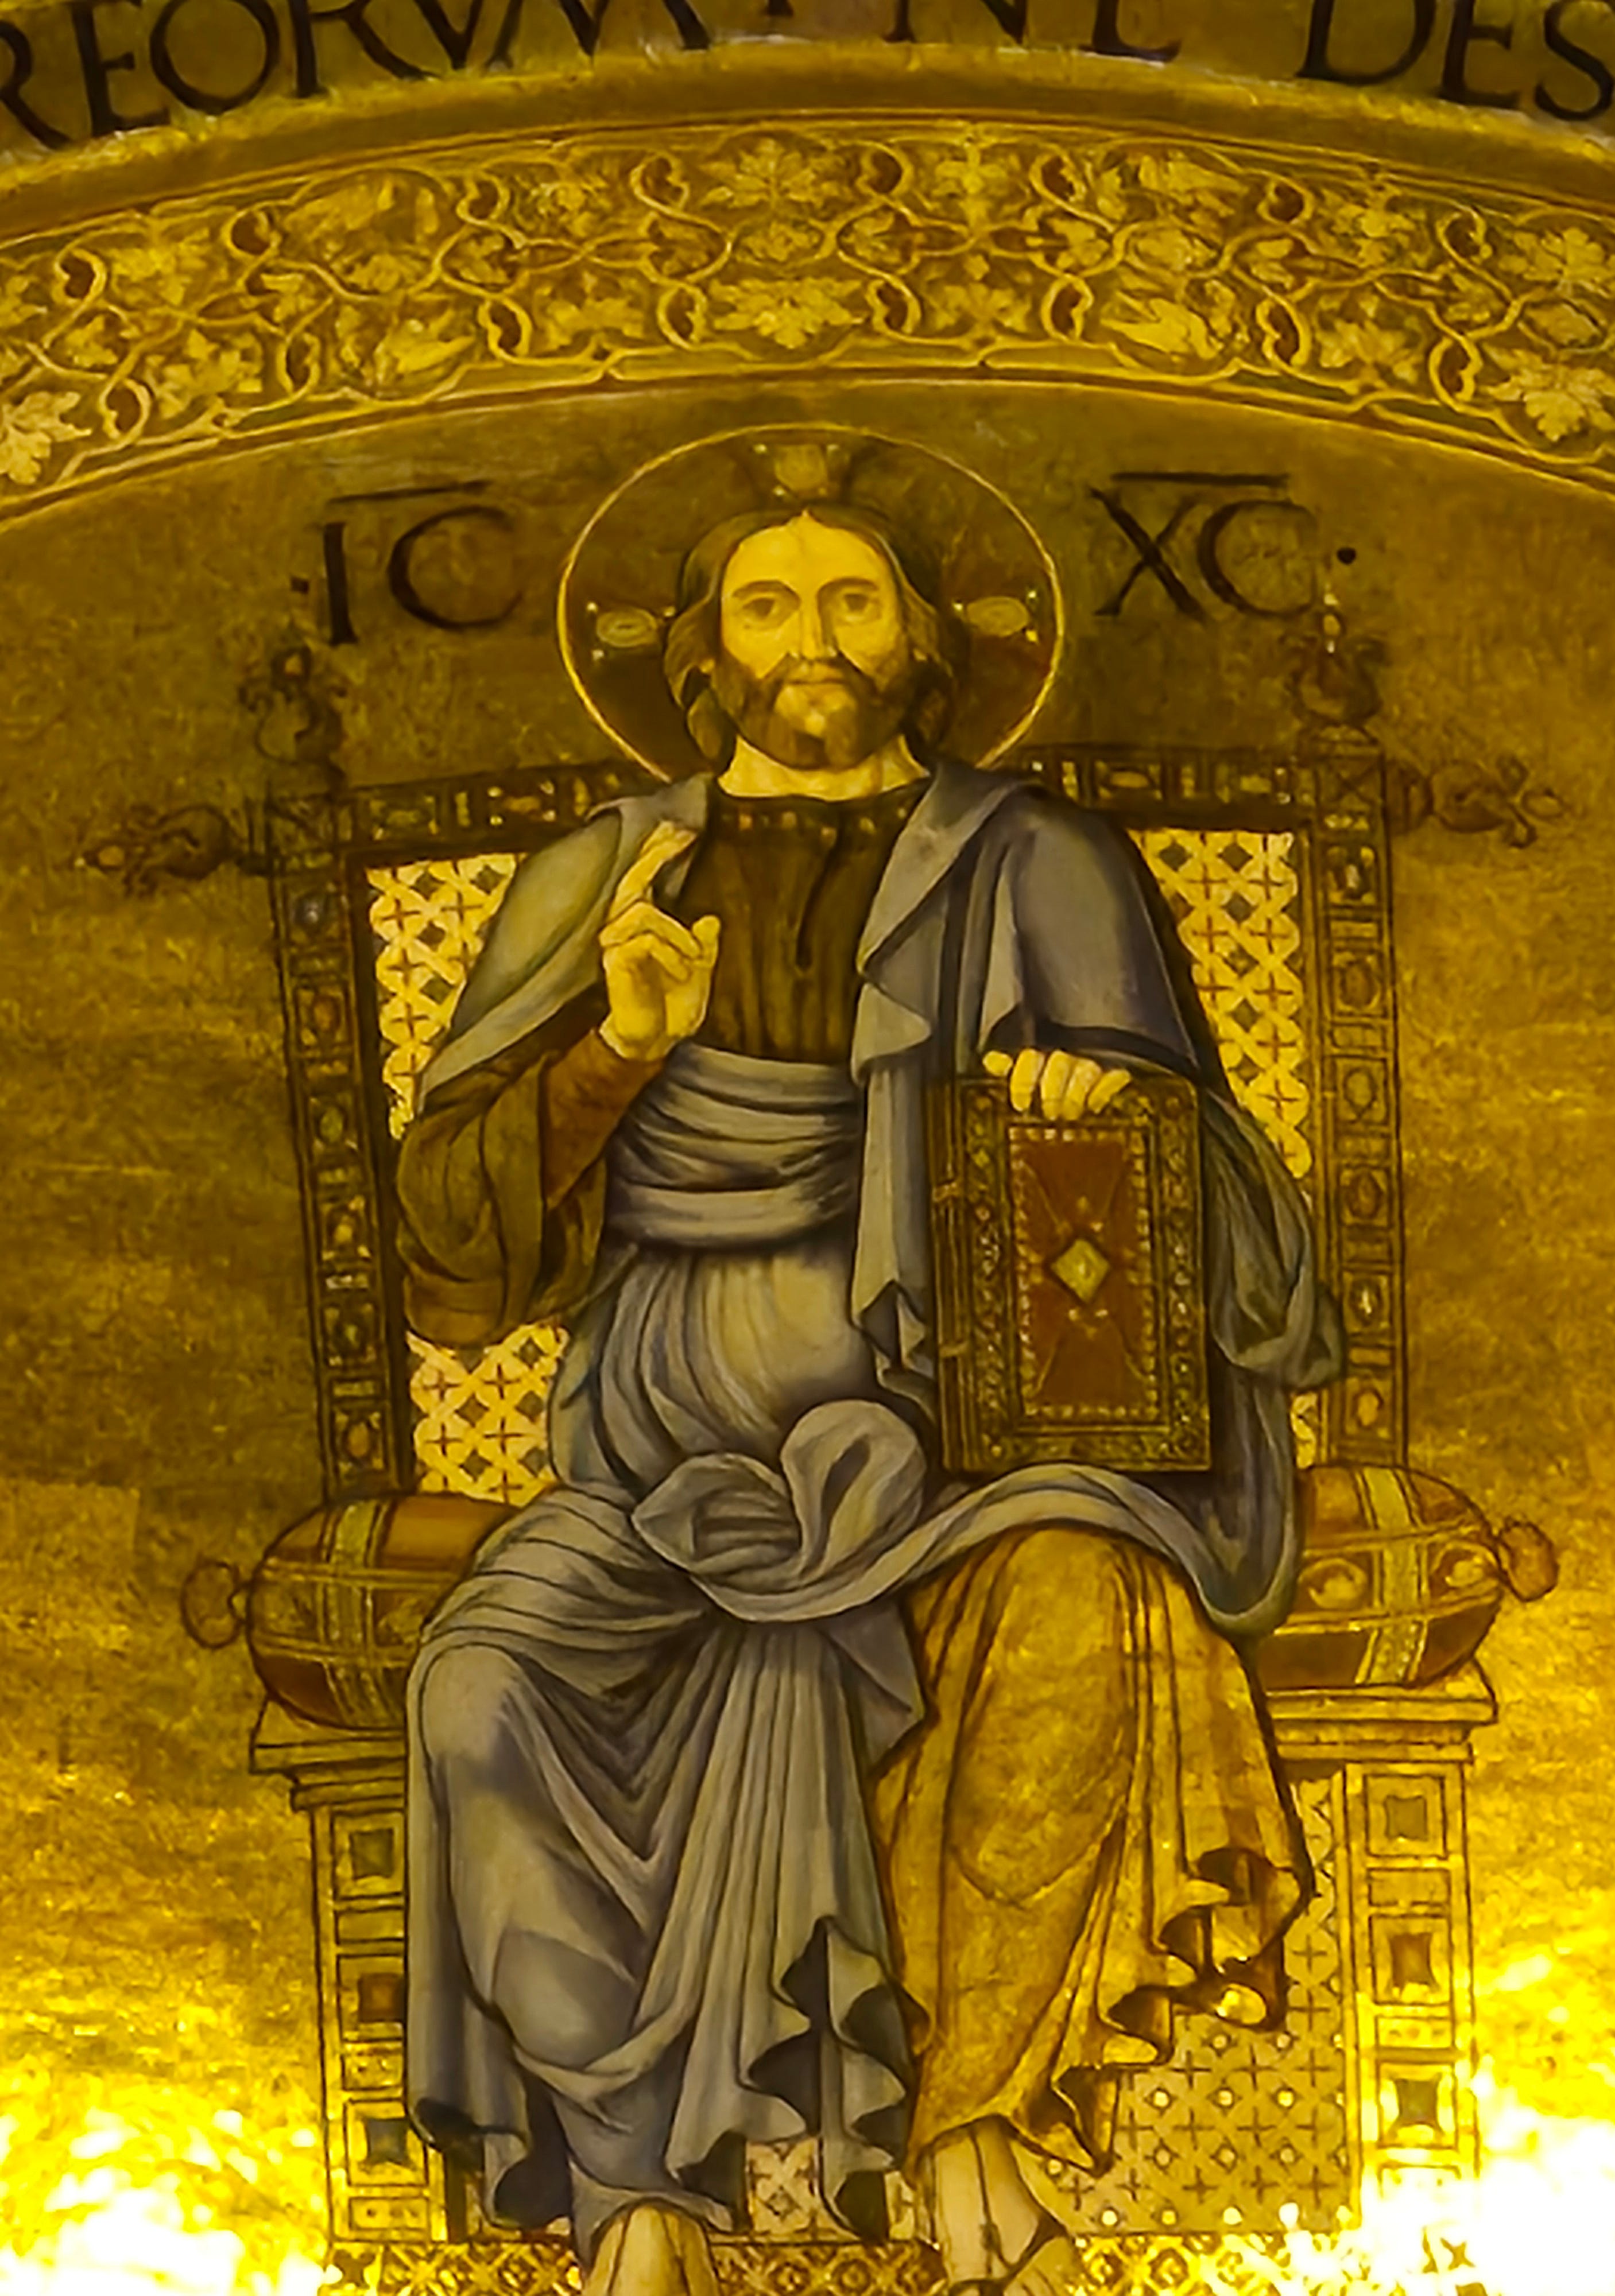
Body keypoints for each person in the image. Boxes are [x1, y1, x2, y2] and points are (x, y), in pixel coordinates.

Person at [397, 494, 1342, 2296]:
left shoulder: (1040, 862)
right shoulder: (601, 875)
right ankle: (638, 2188)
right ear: (703, 654)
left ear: (924, 638)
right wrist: (619, 1047)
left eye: (853, 600)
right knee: (480, 1683)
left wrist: (1106, 1108)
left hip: (970, 1450)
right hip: (663, 1461)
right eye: (769, 605)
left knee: (1086, 1602)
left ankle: (976, 2102)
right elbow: (450, 1240)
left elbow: (1232, 1212)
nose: (813, 638)